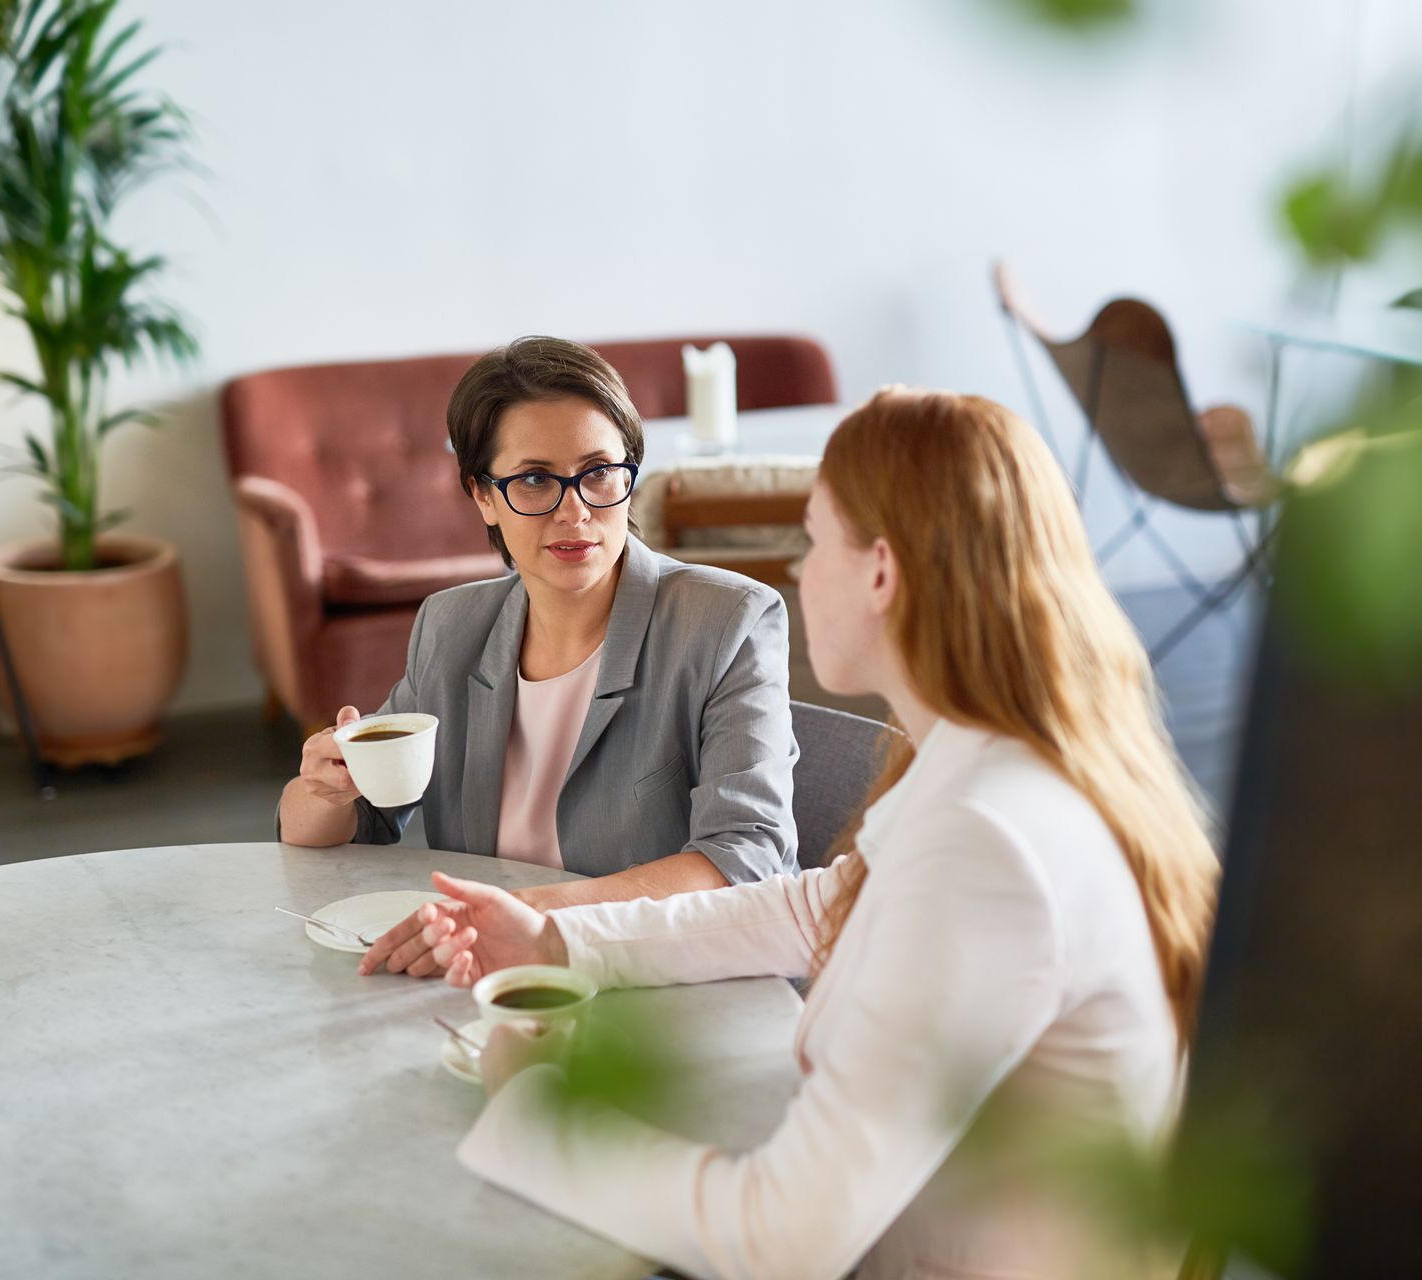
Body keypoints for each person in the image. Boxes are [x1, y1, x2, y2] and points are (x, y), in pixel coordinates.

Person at [413, 388, 1222, 1278]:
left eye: (812, 538)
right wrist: (557, 938)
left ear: (880, 571)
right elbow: (815, 905)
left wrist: (532, 1114)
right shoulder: (1001, 769)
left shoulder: (985, 846)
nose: (800, 572)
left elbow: (780, 1240)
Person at [276, 336, 799, 978]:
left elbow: (745, 859)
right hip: (498, 984)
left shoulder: (727, 623)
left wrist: (528, 918)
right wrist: (322, 790)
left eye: (599, 471)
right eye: (533, 479)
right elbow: (355, 827)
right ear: (483, 495)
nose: (574, 510)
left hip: (669, 985)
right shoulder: (452, 626)